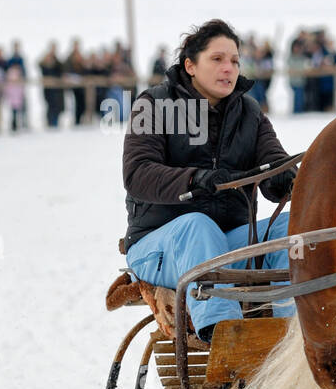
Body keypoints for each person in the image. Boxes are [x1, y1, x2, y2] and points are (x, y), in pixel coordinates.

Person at [122, 19, 297, 344]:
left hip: (225, 243)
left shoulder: (250, 113)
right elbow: (137, 174)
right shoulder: (154, 104)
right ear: (190, 65)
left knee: (293, 227)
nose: (228, 69)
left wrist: (285, 177)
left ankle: (295, 340)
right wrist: (195, 180)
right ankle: (225, 341)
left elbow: (274, 162)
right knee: (197, 226)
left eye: (234, 61)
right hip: (159, 247)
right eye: (217, 59)